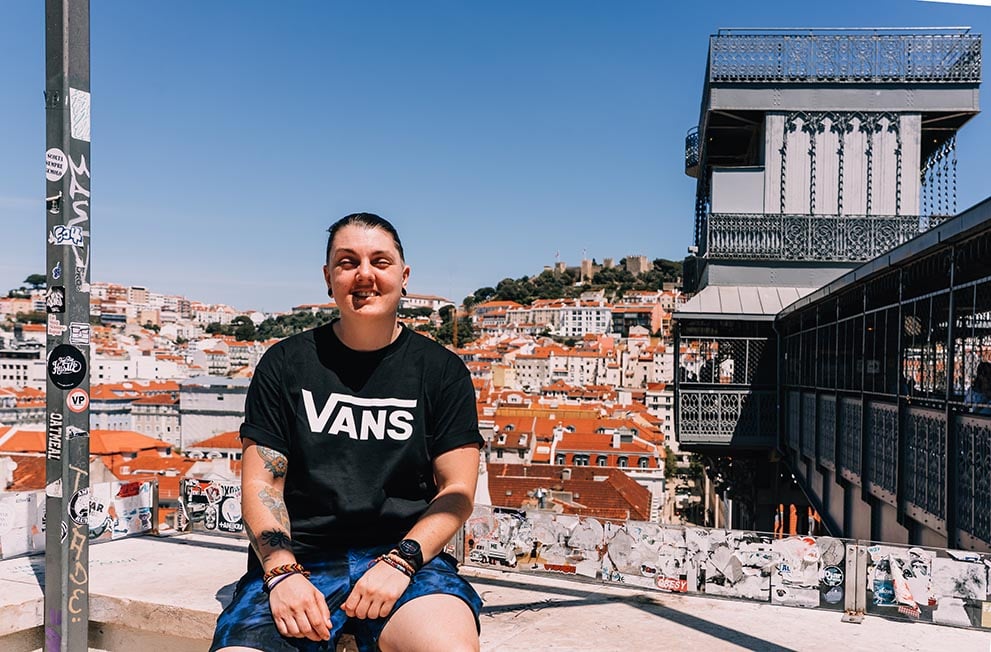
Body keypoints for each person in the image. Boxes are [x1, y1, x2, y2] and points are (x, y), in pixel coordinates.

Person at [211, 213, 483, 652]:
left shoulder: (441, 372)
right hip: (299, 562)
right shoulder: (285, 365)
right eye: (347, 262)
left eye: (380, 261)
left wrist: (403, 560)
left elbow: (457, 490)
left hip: (406, 560)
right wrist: (281, 572)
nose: (365, 275)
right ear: (328, 278)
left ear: (404, 275)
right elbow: (261, 483)